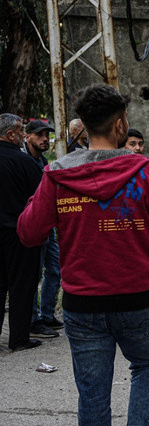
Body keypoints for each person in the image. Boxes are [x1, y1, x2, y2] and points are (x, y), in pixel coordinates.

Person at [17, 84, 149, 426]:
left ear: (85, 126)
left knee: (92, 391)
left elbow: (29, 232)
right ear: (120, 125)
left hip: (82, 301)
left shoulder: (57, 174)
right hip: (136, 296)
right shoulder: (143, 171)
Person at [1, 114, 44, 351]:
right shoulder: (24, 162)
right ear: (10, 134)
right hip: (18, 234)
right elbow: (41, 197)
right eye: (20, 131)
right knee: (22, 286)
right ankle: (18, 338)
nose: (22, 135)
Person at [24, 120, 63, 338]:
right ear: (27, 136)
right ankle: (32, 321)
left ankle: (46, 314)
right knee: (35, 273)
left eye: (46, 135)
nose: (44, 139)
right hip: (37, 224)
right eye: (39, 135)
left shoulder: (41, 161)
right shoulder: (25, 161)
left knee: (55, 269)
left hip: (49, 225)